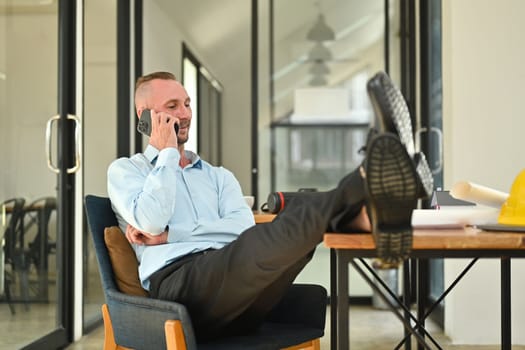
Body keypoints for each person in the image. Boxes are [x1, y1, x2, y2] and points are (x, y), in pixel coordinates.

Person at [107, 71, 432, 340]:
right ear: (145, 117)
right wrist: (165, 154)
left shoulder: (219, 177)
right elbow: (150, 221)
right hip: (180, 295)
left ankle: (369, 215)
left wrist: (173, 233)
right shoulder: (127, 171)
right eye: (172, 105)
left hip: (242, 297)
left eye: (187, 104)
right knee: (274, 235)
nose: (185, 113)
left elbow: (241, 227)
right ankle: (367, 186)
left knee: (293, 233)